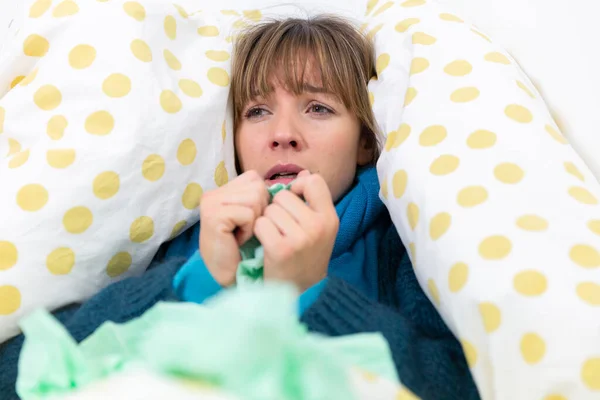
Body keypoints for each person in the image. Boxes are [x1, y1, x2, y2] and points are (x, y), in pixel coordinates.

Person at [0, 16, 480, 400]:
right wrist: (194, 281)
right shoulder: (193, 238)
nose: (282, 133)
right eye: (257, 111)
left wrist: (312, 294)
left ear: (365, 143)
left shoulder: (400, 243)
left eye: (318, 108)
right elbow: (18, 373)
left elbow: (461, 386)